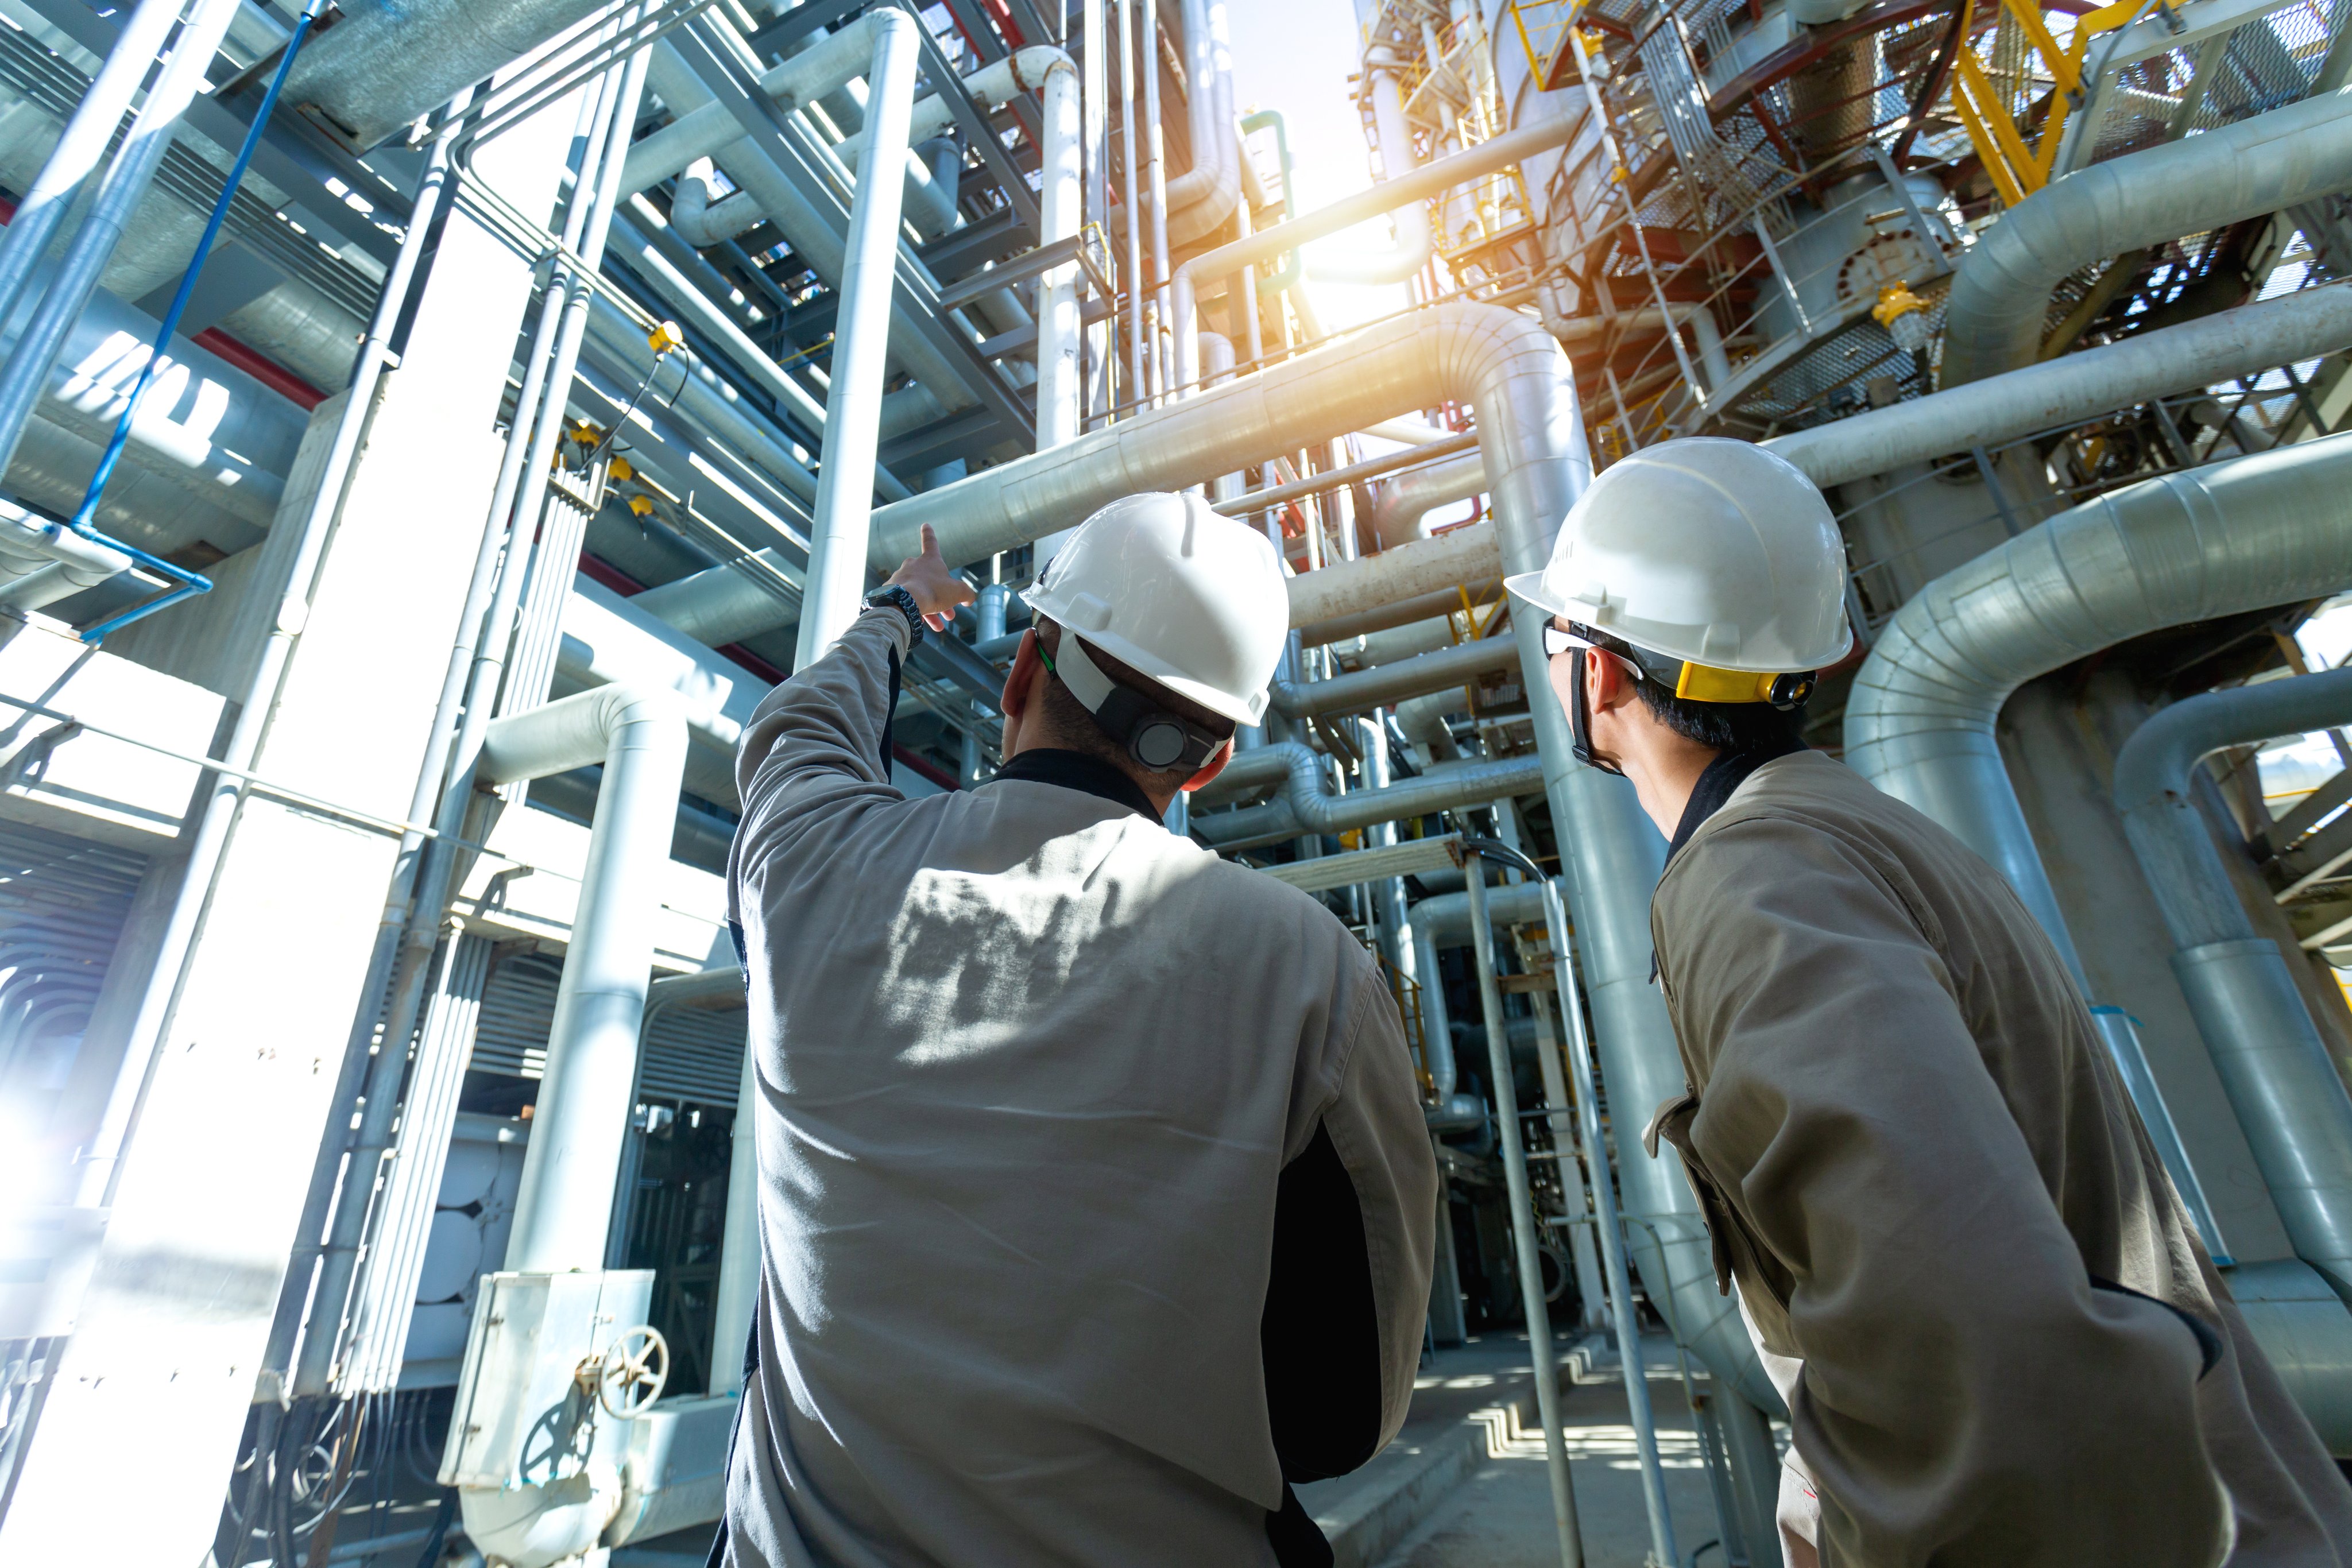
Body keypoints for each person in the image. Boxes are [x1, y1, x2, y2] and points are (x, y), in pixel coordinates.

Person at [1507, 439, 2352, 1567]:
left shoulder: (1755, 873)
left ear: (1597, 672)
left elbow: (1971, 1345)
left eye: (1558, 635)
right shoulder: (1854, 827)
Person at [715, 494, 1438, 1567]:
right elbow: (1343, 1412)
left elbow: (795, 733)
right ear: (1208, 761)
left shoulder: (811, 867)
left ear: (1023, 671)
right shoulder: (1309, 969)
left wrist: (900, 613)